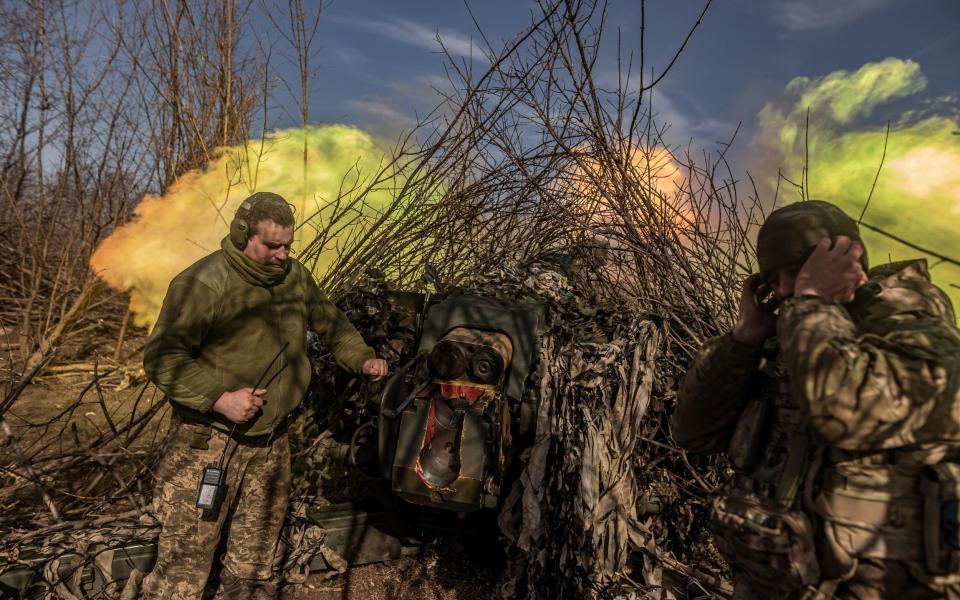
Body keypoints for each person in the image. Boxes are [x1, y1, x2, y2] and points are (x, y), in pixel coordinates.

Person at [672, 200, 960, 599]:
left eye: (798, 273)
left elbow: (842, 412)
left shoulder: (915, 332)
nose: (784, 290)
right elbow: (693, 434)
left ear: (850, 261)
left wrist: (812, 303)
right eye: (774, 280)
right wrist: (744, 340)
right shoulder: (798, 334)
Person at [140, 192, 388, 598]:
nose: (282, 255)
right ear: (242, 236)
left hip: (272, 442)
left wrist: (361, 358)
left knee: (253, 569)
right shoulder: (203, 283)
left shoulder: (295, 278)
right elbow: (162, 358)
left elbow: (333, 325)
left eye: (288, 245)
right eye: (272, 246)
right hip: (209, 443)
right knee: (182, 573)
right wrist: (220, 398)